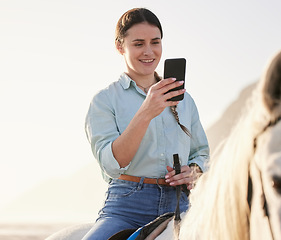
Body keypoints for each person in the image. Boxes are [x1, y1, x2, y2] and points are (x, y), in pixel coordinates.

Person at [83, 8, 209, 240]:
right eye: (138, 44)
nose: (149, 52)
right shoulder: (104, 100)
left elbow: (202, 152)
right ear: (120, 46)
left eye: (155, 42)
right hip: (126, 208)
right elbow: (112, 165)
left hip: (182, 205)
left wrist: (194, 172)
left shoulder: (185, 100)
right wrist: (145, 112)